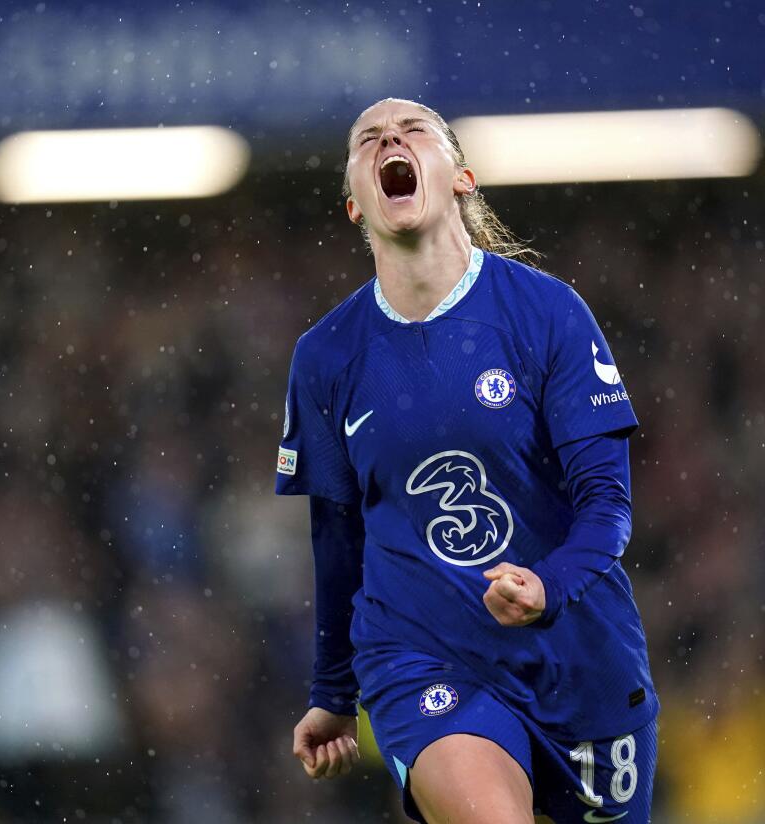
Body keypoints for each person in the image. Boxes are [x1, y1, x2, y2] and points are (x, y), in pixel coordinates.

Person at [276, 98, 658, 824]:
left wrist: (546, 586)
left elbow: (607, 504)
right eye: (368, 139)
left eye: (413, 129)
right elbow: (337, 538)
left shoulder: (547, 314)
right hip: (423, 660)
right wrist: (333, 692)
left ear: (462, 178)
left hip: (580, 661)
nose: (390, 138)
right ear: (355, 204)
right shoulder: (324, 357)